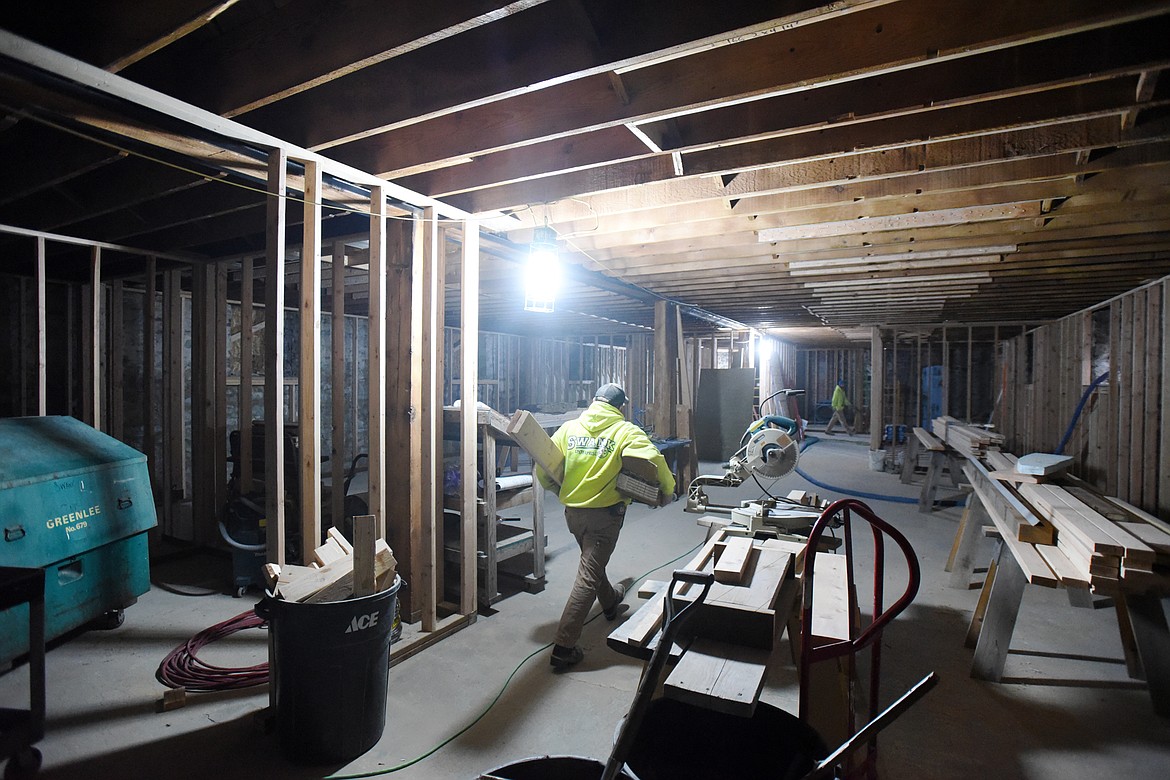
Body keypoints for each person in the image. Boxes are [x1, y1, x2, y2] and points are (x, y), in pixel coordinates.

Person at [535, 382, 676, 670]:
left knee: (591, 564)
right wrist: (669, 489)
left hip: (573, 514)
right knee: (588, 575)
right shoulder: (625, 431)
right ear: (620, 406)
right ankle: (564, 647)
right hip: (604, 517)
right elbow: (653, 459)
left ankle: (610, 603)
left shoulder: (568, 429)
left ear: (595, 401)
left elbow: (543, 469)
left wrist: (559, 490)